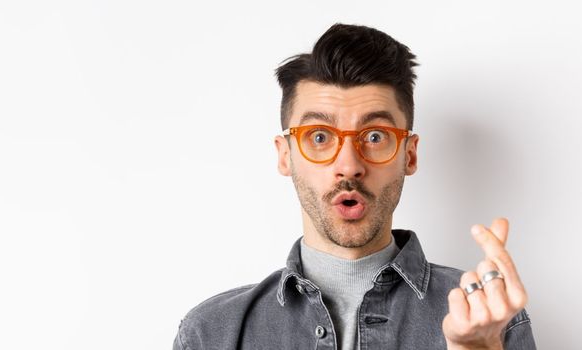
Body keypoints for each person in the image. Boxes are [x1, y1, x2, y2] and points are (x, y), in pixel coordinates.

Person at [172, 23, 536, 350]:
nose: (349, 165)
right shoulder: (211, 334)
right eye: (319, 136)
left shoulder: (490, 318)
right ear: (285, 156)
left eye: (375, 136)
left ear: (409, 155)